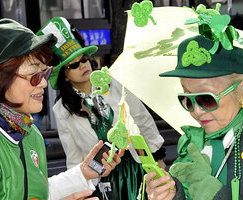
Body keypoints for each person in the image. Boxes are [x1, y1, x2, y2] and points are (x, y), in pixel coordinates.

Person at [0, 18, 124, 200]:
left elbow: (35, 192)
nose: (44, 83)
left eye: (45, 72)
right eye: (34, 75)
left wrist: (83, 173)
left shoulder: (28, 131)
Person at [37, 16, 166, 200]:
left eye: (85, 59)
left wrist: (157, 161)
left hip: (137, 169)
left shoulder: (116, 83)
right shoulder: (62, 110)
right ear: (65, 76)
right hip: (104, 181)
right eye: (74, 64)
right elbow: (74, 157)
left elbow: (143, 120)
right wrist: (80, 190)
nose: (83, 65)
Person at [145, 34, 243, 199]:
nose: (196, 112)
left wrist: (216, 195)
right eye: (187, 99)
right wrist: (172, 196)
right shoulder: (195, 146)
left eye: (206, 98)